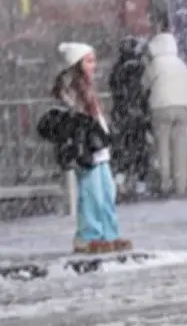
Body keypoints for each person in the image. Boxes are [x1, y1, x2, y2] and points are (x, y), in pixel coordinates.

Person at [47, 42, 131, 254]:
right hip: (87, 148)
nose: (94, 66)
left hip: (96, 146)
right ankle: (89, 235)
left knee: (105, 192)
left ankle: (108, 233)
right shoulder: (72, 88)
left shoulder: (84, 86)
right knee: (92, 192)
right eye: (89, 61)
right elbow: (77, 120)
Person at [142, 31, 187, 197]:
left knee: (162, 146)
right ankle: (181, 184)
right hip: (183, 107)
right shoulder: (181, 64)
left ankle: (165, 183)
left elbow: (144, 85)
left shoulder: (156, 64)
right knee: (179, 147)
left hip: (161, 107)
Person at [108, 36, 150, 196]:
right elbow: (143, 91)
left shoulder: (117, 70)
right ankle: (140, 183)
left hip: (121, 113)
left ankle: (120, 180)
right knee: (140, 148)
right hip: (138, 113)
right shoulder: (140, 68)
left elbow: (115, 90)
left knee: (121, 147)